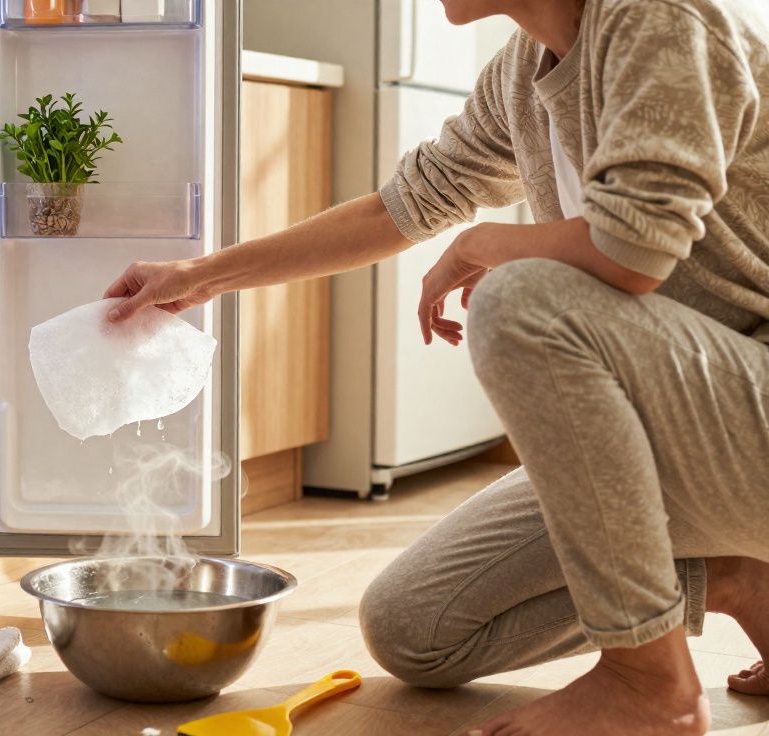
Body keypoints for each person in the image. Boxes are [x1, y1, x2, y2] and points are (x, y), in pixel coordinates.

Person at [102, 0, 769, 733]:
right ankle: (737, 575)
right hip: (678, 436)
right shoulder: (522, 75)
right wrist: (197, 276)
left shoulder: (659, 20)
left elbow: (634, 250)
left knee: (521, 299)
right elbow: (398, 208)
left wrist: (491, 245)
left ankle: (650, 683)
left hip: (750, 418)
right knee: (413, 628)